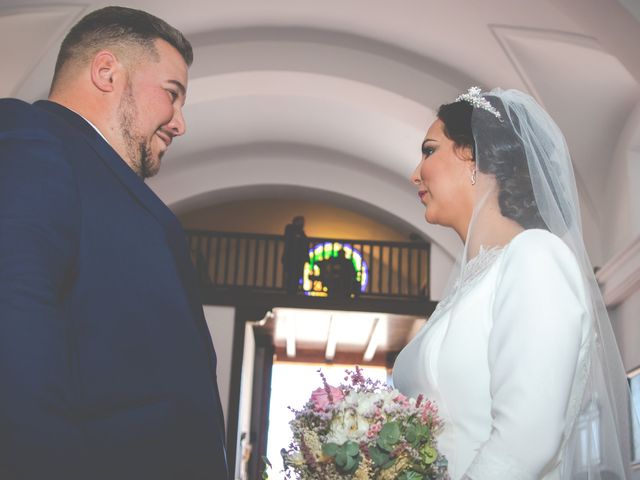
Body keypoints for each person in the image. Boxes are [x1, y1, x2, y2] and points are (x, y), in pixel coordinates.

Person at [0, 7, 228, 480]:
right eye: (172, 94)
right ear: (106, 72)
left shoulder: (123, 191)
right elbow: (15, 308)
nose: (179, 123)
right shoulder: (31, 136)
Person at [393, 87, 637, 479]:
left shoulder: (535, 257)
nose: (415, 172)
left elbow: (525, 444)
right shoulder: (464, 289)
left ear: (474, 155)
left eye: (429, 150)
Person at [282, 215, 309, 293]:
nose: (302, 224)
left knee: (296, 275)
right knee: (292, 274)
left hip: (297, 258)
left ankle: (293, 290)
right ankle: (291, 291)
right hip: (292, 257)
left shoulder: (301, 232)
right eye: (301, 222)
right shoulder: (291, 229)